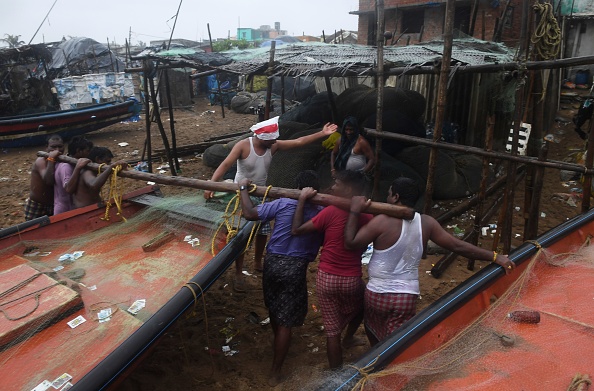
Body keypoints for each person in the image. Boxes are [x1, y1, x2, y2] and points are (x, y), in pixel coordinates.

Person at [344, 176, 516, 346]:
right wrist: (494, 256)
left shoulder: (381, 221)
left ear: (395, 197)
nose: (387, 198)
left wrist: (354, 210)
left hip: (377, 294)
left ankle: (378, 365)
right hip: (406, 297)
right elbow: (458, 246)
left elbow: (351, 243)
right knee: (398, 344)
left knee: (374, 334)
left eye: (389, 194)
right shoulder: (426, 223)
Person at [203, 117, 338, 292]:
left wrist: (322, 133)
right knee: (240, 235)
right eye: (272, 139)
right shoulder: (244, 145)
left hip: (263, 192)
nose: (275, 141)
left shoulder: (272, 146)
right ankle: (238, 272)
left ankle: (258, 262)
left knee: (262, 232)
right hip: (242, 193)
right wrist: (212, 183)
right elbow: (226, 163)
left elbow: (299, 142)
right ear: (261, 137)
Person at [237, 170, 323, 386]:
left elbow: (249, 213)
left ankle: (278, 342)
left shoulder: (284, 203)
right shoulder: (321, 212)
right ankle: (275, 371)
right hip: (295, 267)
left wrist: (242, 189)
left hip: (273, 262)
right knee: (285, 321)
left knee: (275, 308)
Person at [291, 170, 372, 369]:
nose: (333, 186)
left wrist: (301, 200)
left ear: (349, 189)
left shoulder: (330, 212)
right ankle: (349, 338)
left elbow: (297, 230)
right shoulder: (368, 216)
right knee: (362, 307)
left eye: (337, 183)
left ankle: (336, 373)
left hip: (326, 278)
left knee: (331, 333)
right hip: (351, 279)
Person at [24, 135, 64, 220]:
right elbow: (48, 181)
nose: (57, 150)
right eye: (53, 147)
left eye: (60, 146)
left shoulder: (63, 161)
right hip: (37, 205)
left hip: (54, 204)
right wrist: (51, 159)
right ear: (47, 148)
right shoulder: (41, 161)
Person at [53, 136, 93, 215]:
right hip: (65, 210)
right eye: (87, 151)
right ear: (79, 151)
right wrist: (78, 168)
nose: (89, 153)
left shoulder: (72, 163)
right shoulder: (66, 166)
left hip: (71, 207)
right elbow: (68, 189)